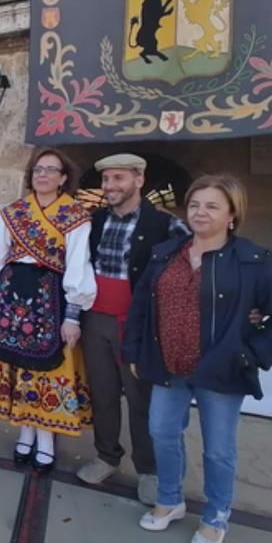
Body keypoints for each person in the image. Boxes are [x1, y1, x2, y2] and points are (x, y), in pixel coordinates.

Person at [124, 174, 272, 543]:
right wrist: (135, 353)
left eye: (211, 206)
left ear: (232, 214)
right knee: (161, 432)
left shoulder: (253, 260)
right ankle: (171, 499)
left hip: (221, 372)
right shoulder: (165, 254)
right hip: (168, 366)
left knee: (218, 449)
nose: (200, 212)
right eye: (194, 205)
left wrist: (249, 354)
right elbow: (142, 308)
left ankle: (216, 514)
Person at [0, 148, 97, 472]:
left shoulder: (75, 216)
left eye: (51, 170)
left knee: (47, 367)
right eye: (38, 169)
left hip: (50, 299)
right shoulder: (13, 213)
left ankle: (46, 438)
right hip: (9, 297)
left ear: (64, 178)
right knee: (16, 364)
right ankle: (25, 430)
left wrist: (73, 316)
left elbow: (79, 266)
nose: (43, 175)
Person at [76, 154, 189, 505]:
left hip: (137, 325)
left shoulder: (165, 224)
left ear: (139, 180)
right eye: (107, 179)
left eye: (118, 178)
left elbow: (193, 264)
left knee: (141, 398)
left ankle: (149, 469)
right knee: (103, 392)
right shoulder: (92, 222)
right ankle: (107, 455)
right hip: (95, 320)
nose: (110, 186)